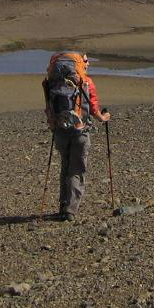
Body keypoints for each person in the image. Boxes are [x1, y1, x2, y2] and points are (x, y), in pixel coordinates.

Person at [42, 52, 110, 222]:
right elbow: (94, 110)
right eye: (86, 61)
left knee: (65, 166)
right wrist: (104, 117)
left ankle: (63, 206)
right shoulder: (86, 82)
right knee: (77, 170)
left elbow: (49, 105)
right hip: (80, 131)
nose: (87, 64)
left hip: (60, 130)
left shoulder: (51, 82)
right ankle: (70, 210)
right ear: (80, 64)